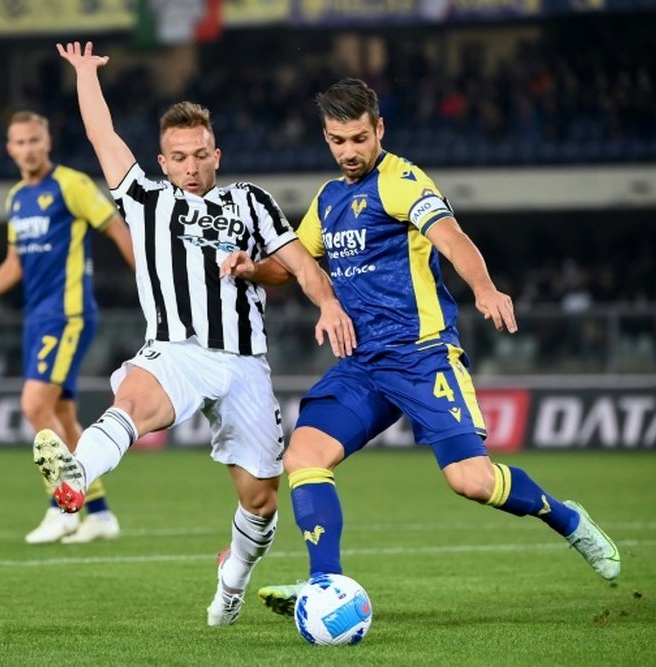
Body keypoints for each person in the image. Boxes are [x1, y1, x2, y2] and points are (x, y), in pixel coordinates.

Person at [221, 78, 621, 617]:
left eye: (358, 138)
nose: (349, 151)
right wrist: (252, 269)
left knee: (471, 482)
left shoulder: (402, 181)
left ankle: (566, 518)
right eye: (337, 140)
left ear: (379, 129)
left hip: (420, 354)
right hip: (362, 364)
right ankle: (325, 585)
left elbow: (451, 237)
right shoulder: (329, 199)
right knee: (304, 455)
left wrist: (484, 287)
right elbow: (296, 266)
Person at [37, 41, 355, 627]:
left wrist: (328, 303)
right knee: (133, 400)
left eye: (200, 154)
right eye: (178, 156)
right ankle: (78, 474)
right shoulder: (143, 200)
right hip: (174, 350)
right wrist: (85, 75)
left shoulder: (251, 201)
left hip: (243, 362)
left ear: (217, 155)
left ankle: (232, 580)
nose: (190, 166)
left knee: (261, 501)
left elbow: (298, 263)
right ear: (163, 162)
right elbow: (103, 136)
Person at [0, 110, 135, 545]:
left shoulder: (72, 184)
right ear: (9, 149)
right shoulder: (16, 198)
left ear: (47, 142)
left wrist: (153, 282)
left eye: (34, 140)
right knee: (61, 414)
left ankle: (63, 507)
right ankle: (99, 513)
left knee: (33, 405)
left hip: (68, 313)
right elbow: (14, 263)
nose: (28, 148)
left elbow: (117, 228)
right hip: (38, 316)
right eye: (19, 142)